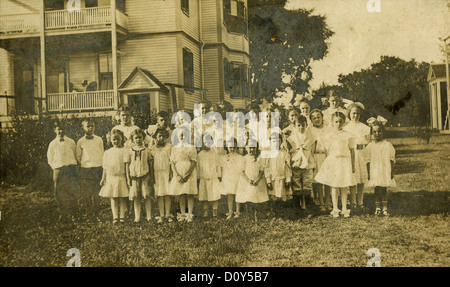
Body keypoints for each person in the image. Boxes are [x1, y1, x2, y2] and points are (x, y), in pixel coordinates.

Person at [315, 112, 356, 218]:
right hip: (333, 161)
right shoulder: (329, 135)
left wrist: (353, 164)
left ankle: (344, 209)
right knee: (334, 185)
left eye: (340, 121)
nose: (338, 124)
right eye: (336, 122)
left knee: (344, 185)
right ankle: (335, 208)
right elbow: (327, 150)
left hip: (344, 161)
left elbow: (352, 151)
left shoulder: (348, 135)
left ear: (344, 122)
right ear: (332, 123)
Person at [47, 120, 79, 223]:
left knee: (73, 191)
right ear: (54, 130)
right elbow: (50, 158)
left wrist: (72, 165)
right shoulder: (52, 144)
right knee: (59, 193)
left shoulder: (71, 141)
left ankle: (74, 214)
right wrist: (56, 168)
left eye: (63, 129)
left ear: (66, 129)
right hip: (59, 170)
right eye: (58, 129)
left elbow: (75, 154)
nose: (61, 131)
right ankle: (63, 214)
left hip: (70, 169)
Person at [364, 118, 395, 217]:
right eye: (374, 132)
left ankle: (385, 208)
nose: (377, 134)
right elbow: (368, 160)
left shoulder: (388, 145)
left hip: (385, 170)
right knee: (377, 189)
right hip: (375, 170)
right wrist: (369, 173)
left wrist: (391, 172)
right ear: (372, 133)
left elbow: (391, 159)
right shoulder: (370, 146)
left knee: (384, 189)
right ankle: (377, 208)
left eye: (379, 131)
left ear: (383, 132)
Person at [343, 103, 370, 211]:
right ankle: (353, 202)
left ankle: (360, 202)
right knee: (353, 178)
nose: (355, 115)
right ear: (349, 114)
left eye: (358, 113)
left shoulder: (365, 127)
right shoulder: (346, 128)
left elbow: (368, 142)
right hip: (351, 154)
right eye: (353, 113)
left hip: (362, 152)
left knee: (361, 179)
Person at [99, 129, 129, 224]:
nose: (116, 141)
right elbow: (105, 167)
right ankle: (115, 216)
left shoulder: (125, 151)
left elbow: (126, 165)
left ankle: (122, 216)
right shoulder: (107, 152)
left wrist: (128, 179)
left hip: (121, 176)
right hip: (111, 177)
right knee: (113, 197)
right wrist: (103, 178)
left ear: (122, 139)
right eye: (114, 139)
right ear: (110, 140)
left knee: (122, 197)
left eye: (118, 139)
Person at [76, 119, 104, 222]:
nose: (90, 128)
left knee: (96, 193)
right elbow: (78, 157)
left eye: (92, 126)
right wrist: (85, 164)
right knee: (87, 193)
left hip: (97, 168)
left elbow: (102, 153)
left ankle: (97, 215)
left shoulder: (99, 139)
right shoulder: (80, 141)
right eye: (88, 126)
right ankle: (90, 214)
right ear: (83, 128)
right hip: (86, 169)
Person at [287, 114, 315, 211]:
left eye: (303, 125)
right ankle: (297, 208)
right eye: (298, 125)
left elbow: (312, 151)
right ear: (294, 125)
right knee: (296, 184)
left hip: (307, 163)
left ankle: (308, 208)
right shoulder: (291, 137)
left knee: (307, 184)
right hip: (296, 163)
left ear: (306, 125)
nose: (301, 127)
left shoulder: (310, 136)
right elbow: (289, 151)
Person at [169, 129, 198, 222]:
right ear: (178, 136)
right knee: (181, 193)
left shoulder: (192, 147)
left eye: (185, 134)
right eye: (181, 135)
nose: (183, 136)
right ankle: (182, 214)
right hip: (178, 171)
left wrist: (188, 174)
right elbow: (172, 163)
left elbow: (193, 162)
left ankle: (189, 214)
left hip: (189, 172)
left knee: (189, 193)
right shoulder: (174, 148)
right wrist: (177, 175)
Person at [235, 142, 269, 221]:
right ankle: (249, 213)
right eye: (250, 147)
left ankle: (258, 213)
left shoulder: (259, 159)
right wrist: (248, 180)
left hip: (257, 180)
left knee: (258, 197)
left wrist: (258, 180)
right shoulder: (244, 159)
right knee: (248, 196)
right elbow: (242, 172)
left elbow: (261, 171)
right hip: (247, 181)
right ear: (246, 148)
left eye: (254, 147)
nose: (252, 149)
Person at [126, 129, 153, 223]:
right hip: (134, 176)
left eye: (140, 137)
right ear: (133, 139)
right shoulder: (130, 151)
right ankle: (137, 217)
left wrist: (151, 177)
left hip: (145, 175)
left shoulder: (147, 150)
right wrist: (128, 177)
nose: (138, 139)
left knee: (146, 195)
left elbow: (150, 164)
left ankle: (149, 216)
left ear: (143, 138)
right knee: (136, 196)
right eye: (136, 138)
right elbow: (127, 164)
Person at [309, 109, 332, 211]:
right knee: (318, 181)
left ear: (322, 117)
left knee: (328, 181)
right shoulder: (310, 130)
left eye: (318, 117)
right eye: (314, 118)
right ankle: (321, 203)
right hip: (316, 156)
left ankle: (328, 202)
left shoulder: (328, 129)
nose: (317, 119)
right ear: (311, 120)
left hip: (326, 156)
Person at [265, 132, 292, 216]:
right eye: (273, 141)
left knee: (282, 195)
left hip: (282, 178)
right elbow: (267, 168)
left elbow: (288, 168)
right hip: (273, 178)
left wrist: (288, 179)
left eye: (278, 141)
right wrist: (268, 180)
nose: (276, 143)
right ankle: (274, 211)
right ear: (270, 143)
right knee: (274, 196)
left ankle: (282, 212)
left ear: (281, 142)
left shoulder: (284, 153)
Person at [150, 128, 174, 223]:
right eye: (159, 136)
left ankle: (168, 215)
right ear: (156, 137)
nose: (161, 138)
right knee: (160, 194)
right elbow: (151, 163)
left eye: (163, 136)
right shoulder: (152, 148)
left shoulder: (169, 147)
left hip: (166, 172)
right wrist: (152, 176)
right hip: (158, 173)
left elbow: (171, 161)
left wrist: (171, 174)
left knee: (167, 193)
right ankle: (162, 215)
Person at [197, 137, 223, 218]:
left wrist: (219, 175)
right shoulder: (200, 154)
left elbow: (218, 165)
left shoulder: (214, 154)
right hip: (203, 177)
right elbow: (198, 167)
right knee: (205, 195)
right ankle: (206, 211)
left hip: (213, 177)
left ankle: (215, 211)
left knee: (214, 195)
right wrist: (198, 176)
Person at [220, 138, 244, 219]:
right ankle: (230, 211)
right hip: (228, 177)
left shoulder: (240, 157)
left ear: (236, 146)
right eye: (230, 147)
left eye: (233, 147)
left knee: (237, 193)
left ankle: (237, 211)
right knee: (229, 194)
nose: (232, 149)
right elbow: (222, 168)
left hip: (236, 177)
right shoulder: (224, 157)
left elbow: (240, 168)